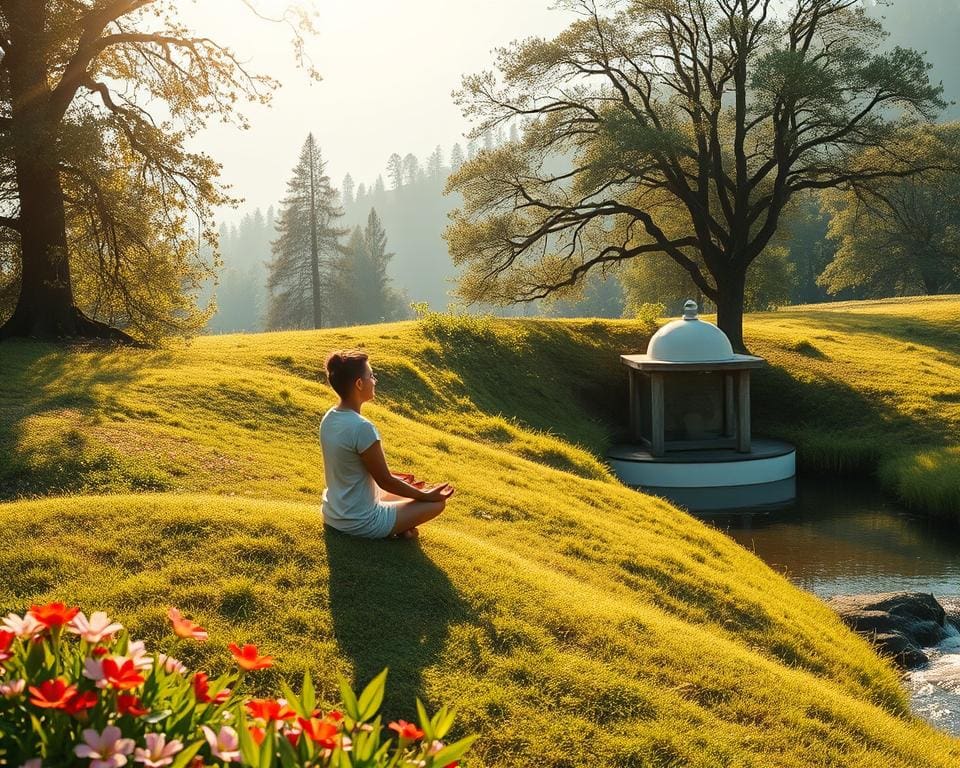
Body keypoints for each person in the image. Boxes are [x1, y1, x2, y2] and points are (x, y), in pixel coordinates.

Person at [319, 349, 454, 539]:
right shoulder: (362, 427)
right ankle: (397, 529)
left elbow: (358, 469)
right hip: (360, 521)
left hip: (334, 513)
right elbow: (386, 481)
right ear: (359, 384)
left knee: (410, 486)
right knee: (436, 504)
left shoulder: (330, 417)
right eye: (371, 376)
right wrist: (427, 496)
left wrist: (408, 487)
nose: (375, 381)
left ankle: (402, 527)